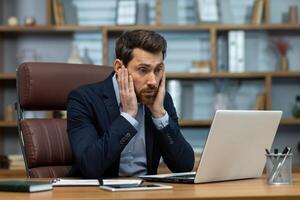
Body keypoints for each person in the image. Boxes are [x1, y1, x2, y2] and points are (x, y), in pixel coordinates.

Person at [67, 29, 194, 178]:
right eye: (143, 70)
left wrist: (160, 115)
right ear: (120, 67)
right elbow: (91, 166)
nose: (153, 81)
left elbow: (184, 166)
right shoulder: (83, 100)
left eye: (158, 70)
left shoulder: (162, 101)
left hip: (147, 192)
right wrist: (128, 116)